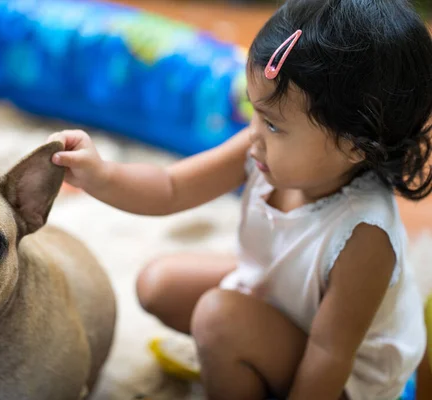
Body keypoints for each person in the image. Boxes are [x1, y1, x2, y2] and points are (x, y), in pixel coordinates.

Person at [46, 0, 432, 398]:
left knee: (217, 319)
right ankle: (242, 353)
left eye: (273, 124)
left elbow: (329, 354)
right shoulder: (262, 149)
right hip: (289, 308)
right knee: (158, 284)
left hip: (345, 378)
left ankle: (241, 363)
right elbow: (170, 186)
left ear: (353, 146)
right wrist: (100, 174)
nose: (254, 134)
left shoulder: (365, 235)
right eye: (254, 111)